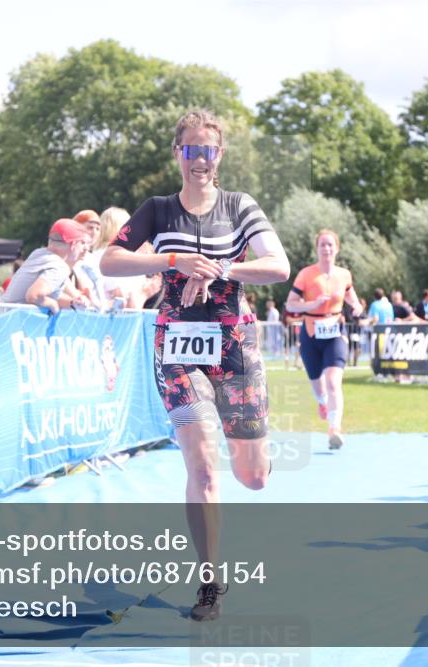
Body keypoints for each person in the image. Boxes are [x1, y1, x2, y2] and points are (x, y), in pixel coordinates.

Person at [99, 109, 289, 622]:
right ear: (177, 153)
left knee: (251, 477)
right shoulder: (158, 211)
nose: (199, 160)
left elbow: (278, 266)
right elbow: (110, 261)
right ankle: (209, 582)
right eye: (191, 150)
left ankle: (257, 453)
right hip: (178, 346)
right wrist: (173, 261)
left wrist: (222, 268)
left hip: (234, 344)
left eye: (208, 150)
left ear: (219, 155)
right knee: (203, 467)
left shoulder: (239, 206)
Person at [286, 229, 363, 449]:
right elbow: (290, 304)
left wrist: (356, 306)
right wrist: (313, 304)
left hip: (335, 333)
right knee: (319, 387)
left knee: (333, 382)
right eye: (322, 244)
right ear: (317, 249)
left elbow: (350, 295)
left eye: (330, 245)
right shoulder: (306, 274)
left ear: (337, 249)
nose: (326, 248)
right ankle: (322, 402)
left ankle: (334, 429)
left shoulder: (344, 274)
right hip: (311, 334)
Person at [2, 218, 92, 311]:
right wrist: (53, 306)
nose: (86, 248)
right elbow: (34, 296)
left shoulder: (39, 253)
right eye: (82, 243)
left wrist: (73, 303)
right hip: (15, 318)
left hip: (4, 315)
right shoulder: (59, 267)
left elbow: (48, 296)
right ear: (73, 245)